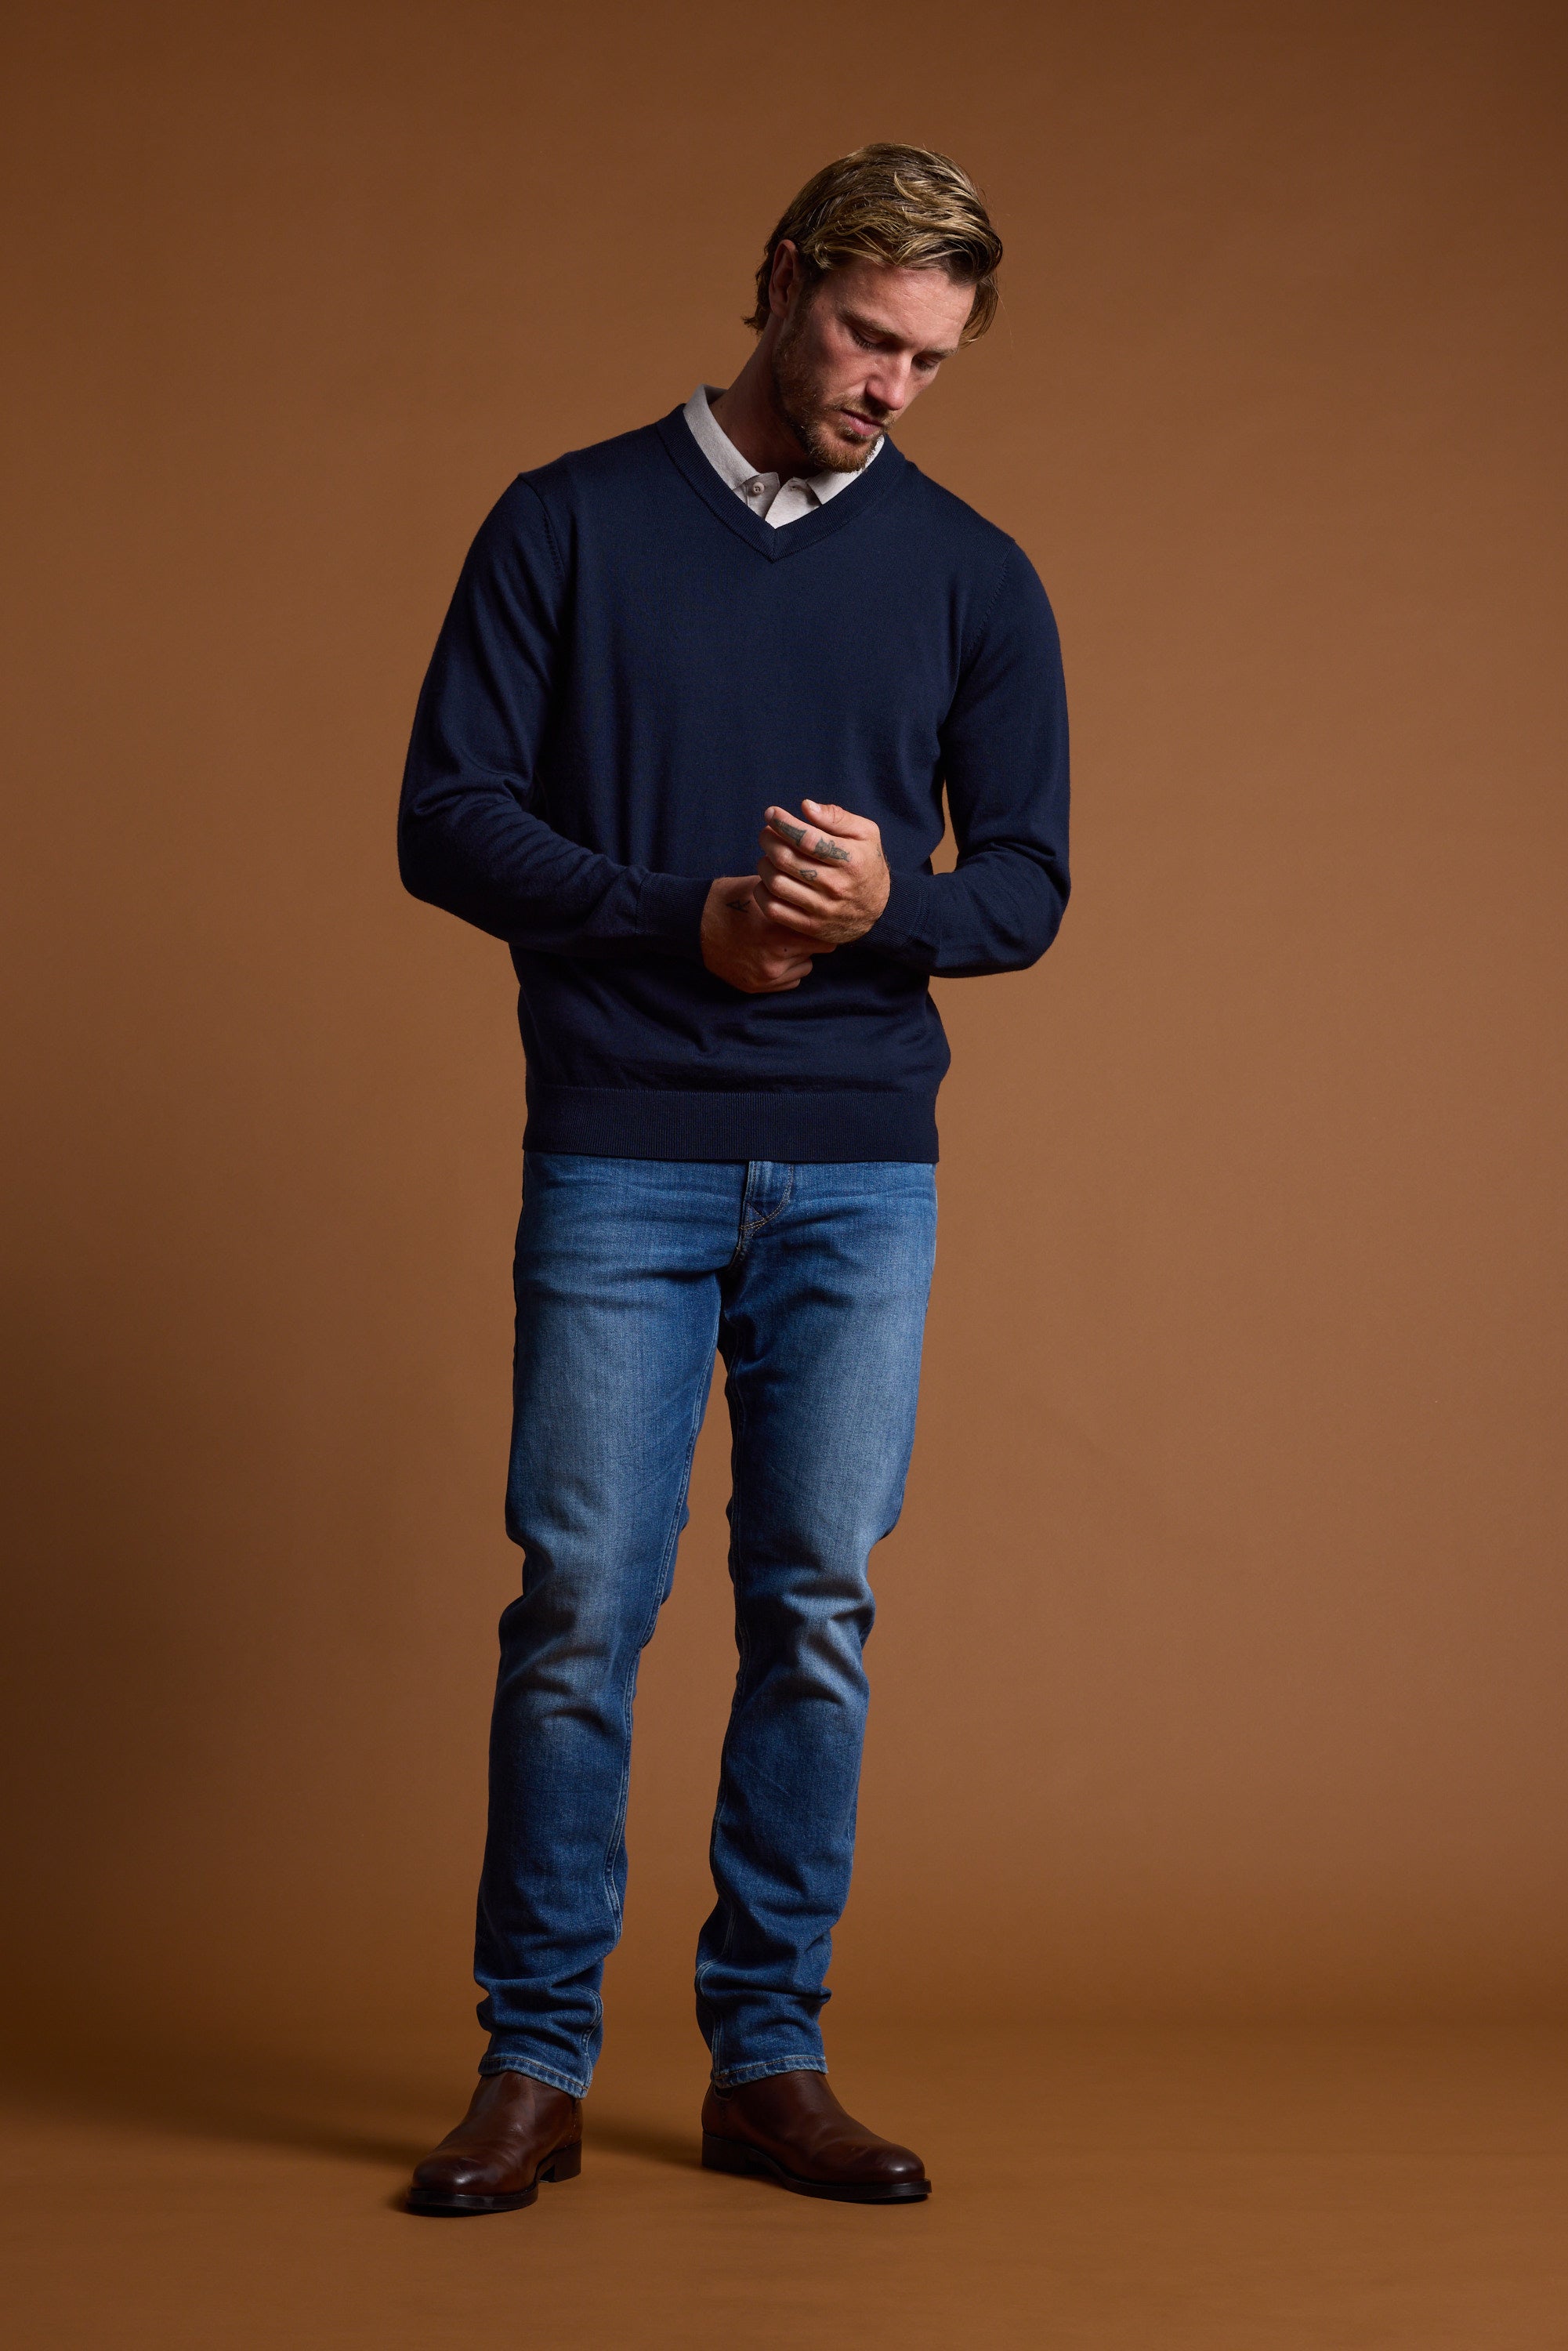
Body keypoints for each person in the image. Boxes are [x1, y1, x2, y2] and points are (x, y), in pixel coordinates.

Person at [397, 143, 1069, 2215]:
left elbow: (1028, 890)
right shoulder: (564, 526)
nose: (891, 385)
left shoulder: (972, 574)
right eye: (868, 335)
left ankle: (765, 2057)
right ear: (779, 279)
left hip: (862, 1174)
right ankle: (533, 2064)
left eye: (930, 359)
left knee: (818, 1614)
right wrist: (674, 918)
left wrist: (888, 908)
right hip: (621, 1145)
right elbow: (444, 822)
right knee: (580, 1614)